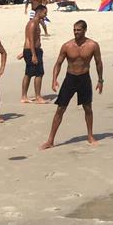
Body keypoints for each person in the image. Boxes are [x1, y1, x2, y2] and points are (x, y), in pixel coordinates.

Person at [41, 20, 104, 149]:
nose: (76, 32)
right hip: (70, 79)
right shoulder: (67, 46)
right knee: (60, 109)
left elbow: (98, 63)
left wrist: (100, 80)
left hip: (84, 78)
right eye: (74, 30)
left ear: (85, 30)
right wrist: (54, 79)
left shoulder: (93, 45)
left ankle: (90, 136)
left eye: (78, 30)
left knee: (88, 108)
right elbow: (58, 63)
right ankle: (50, 140)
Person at [21, 5, 48, 103]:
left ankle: (24, 96)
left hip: (31, 50)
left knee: (29, 73)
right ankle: (37, 96)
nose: (46, 15)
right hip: (32, 51)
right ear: (39, 12)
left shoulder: (38, 22)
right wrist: (33, 54)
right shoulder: (32, 23)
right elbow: (31, 40)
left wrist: (24, 53)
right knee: (39, 73)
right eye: (45, 13)